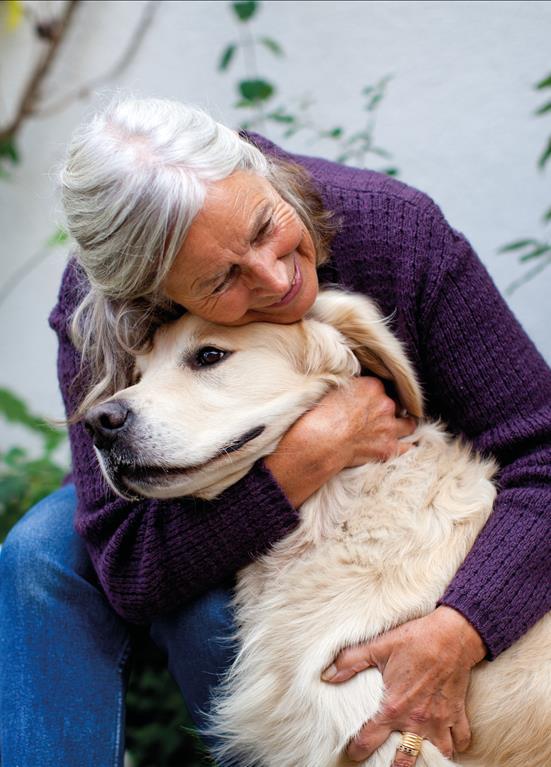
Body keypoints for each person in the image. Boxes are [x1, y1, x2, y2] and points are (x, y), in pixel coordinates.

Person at [0, 97, 549, 767]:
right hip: (192, 489)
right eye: (222, 278)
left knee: (207, 618)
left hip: (395, 507)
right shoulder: (100, 308)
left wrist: (461, 624)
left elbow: (541, 450)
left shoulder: (395, 232)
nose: (275, 274)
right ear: (151, 292)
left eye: (265, 226)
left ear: (259, 171)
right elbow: (128, 564)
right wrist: (306, 456)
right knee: (39, 556)